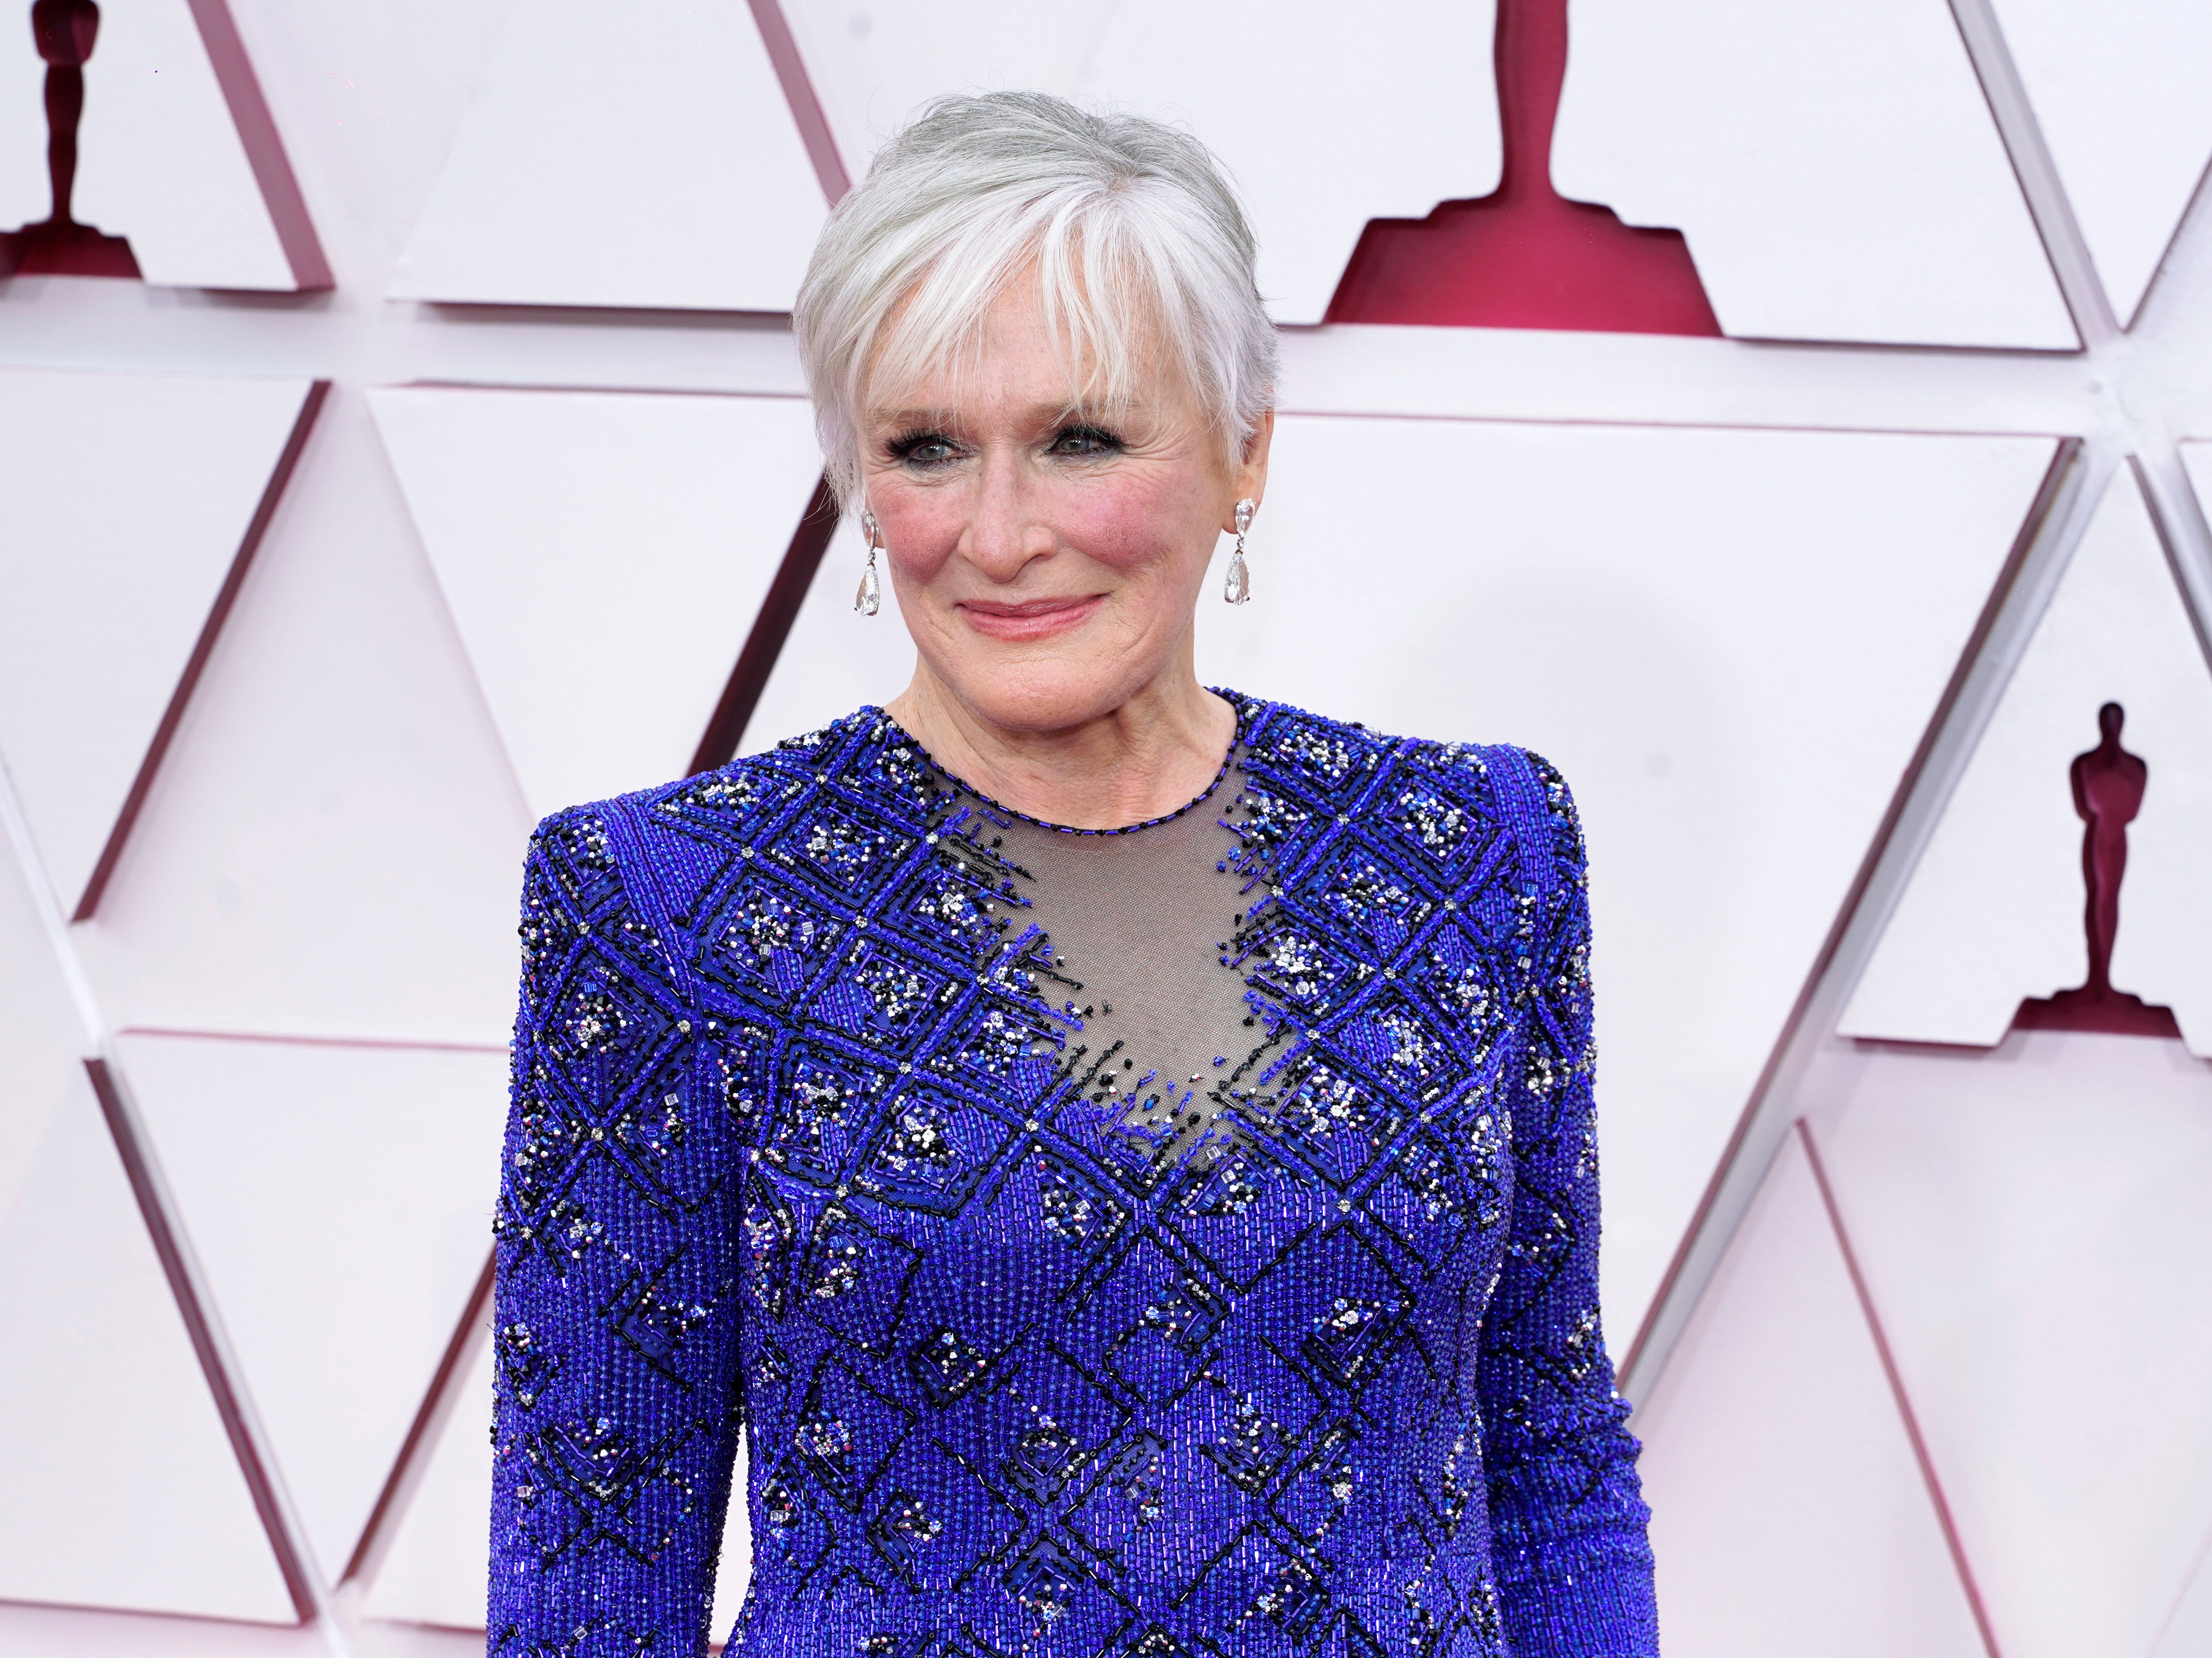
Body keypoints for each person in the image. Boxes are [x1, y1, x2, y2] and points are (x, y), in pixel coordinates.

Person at [485, 91, 1657, 1658]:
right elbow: (592, 1568)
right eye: (925, 449)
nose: (998, 532)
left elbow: (1550, 1447)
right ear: (857, 480)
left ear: (1245, 450)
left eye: (1081, 438)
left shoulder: (1470, 850)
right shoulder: (662, 904)